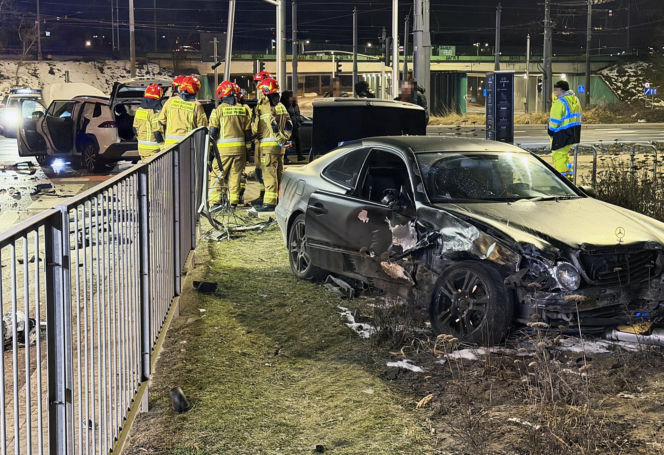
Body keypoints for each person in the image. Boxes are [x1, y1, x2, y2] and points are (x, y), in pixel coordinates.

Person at [208, 81, 252, 207]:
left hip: (223, 151)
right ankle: (233, 202)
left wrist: (210, 150)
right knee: (235, 176)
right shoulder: (243, 109)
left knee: (218, 175)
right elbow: (248, 133)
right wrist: (248, 150)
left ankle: (215, 203)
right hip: (240, 151)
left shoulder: (218, 110)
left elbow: (213, 132)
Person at [251, 77, 292, 212]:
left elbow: (267, 125)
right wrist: (284, 139)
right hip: (279, 148)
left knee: (269, 175)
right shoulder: (281, 106)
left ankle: (269, 203)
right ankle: (278, 201)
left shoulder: (265, 106)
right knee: (278, 174)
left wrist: (255, 129)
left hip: (268, 147)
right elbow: (289, 125)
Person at [157, 75, 208, 147]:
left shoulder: (170, 101)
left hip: (169, 147)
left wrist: (162, 145)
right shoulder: (197, 106)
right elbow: (203, 128)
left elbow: (160, 123)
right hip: (188, 146)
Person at [548, 80, 582, 178]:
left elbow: (555, 121)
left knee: (558, 158)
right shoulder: (575, 100)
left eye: (556, 89)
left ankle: (561, 181)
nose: (555, 92)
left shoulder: (559, 102)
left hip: (560, 135)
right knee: (564, 157)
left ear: (561, 90)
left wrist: (550, 131)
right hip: (573, 133)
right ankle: (569, 178)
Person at [133, 83, 165, 161]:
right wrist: (163, 147)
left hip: (141, 149)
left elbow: (134, 129)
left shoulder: (139, 110)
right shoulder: (154, 112)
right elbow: (157, 132)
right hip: (153, 150)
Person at [280, 90, 303, 162]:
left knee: (298, 141)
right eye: (291, 96)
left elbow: (298, 114)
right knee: (287, 142)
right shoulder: (283, 105)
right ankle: (285, 158)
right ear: (286, 98)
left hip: (295, 125)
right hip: (287, 126)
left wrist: (299, 121)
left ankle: (300, 156)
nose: (292, 98)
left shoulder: (294, 105)